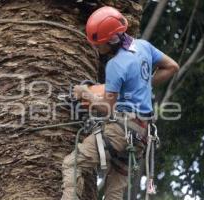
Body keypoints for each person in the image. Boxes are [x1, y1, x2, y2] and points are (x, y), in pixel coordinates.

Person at [61, 6, 179, 200]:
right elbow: (172, 66)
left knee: (72, 164)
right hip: (141, 136)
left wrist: (86, 94)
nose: (96, 48)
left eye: (98, 44)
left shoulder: (116, 65)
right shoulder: (144, 46)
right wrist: (143, 85)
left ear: (111, 40)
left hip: (120, 131)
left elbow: (107, 108)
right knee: (114, 192)